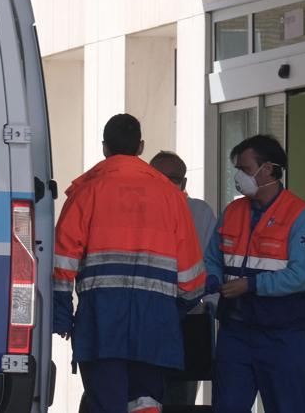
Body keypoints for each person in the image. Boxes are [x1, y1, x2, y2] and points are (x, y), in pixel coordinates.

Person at [54, 114, 207, 413]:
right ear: (141, 146)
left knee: (106, 401)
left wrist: (62, 311)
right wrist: (175, 309)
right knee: (146, 401)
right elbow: (190, 273)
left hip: (102, 321)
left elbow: (63, 258)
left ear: (104, 147)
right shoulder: (171, 196)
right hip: (155, 320)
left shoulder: (87, 191)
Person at [204, 134, 305, 413]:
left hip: (281, 335)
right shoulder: (233, 211)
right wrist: (213, 280)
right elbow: (211, 258)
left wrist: (251, 285)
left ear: (267, 169)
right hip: (235, 332)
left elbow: (300, 275)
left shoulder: (300, 215)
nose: (238, 176)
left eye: (244, 169)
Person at [150, 151, 217, 407]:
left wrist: (207, 308)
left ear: (185, 183)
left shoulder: (199, 213)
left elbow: (210, 266)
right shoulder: (131, 210)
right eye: (159, 177)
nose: (167, 183)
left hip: (186, 322)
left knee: (179, 399)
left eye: (174, 178)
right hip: (141, 318)